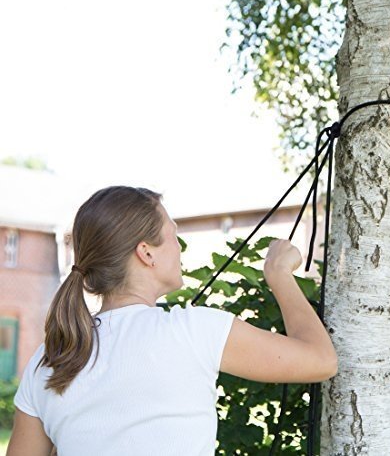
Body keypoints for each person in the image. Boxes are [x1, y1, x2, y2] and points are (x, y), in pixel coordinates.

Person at [7, 185, 337, 456]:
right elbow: (321, 360)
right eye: (173, 234)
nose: (179, 247)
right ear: (146, 252)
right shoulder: (193, 331)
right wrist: (279, 275)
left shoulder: (50, 359)